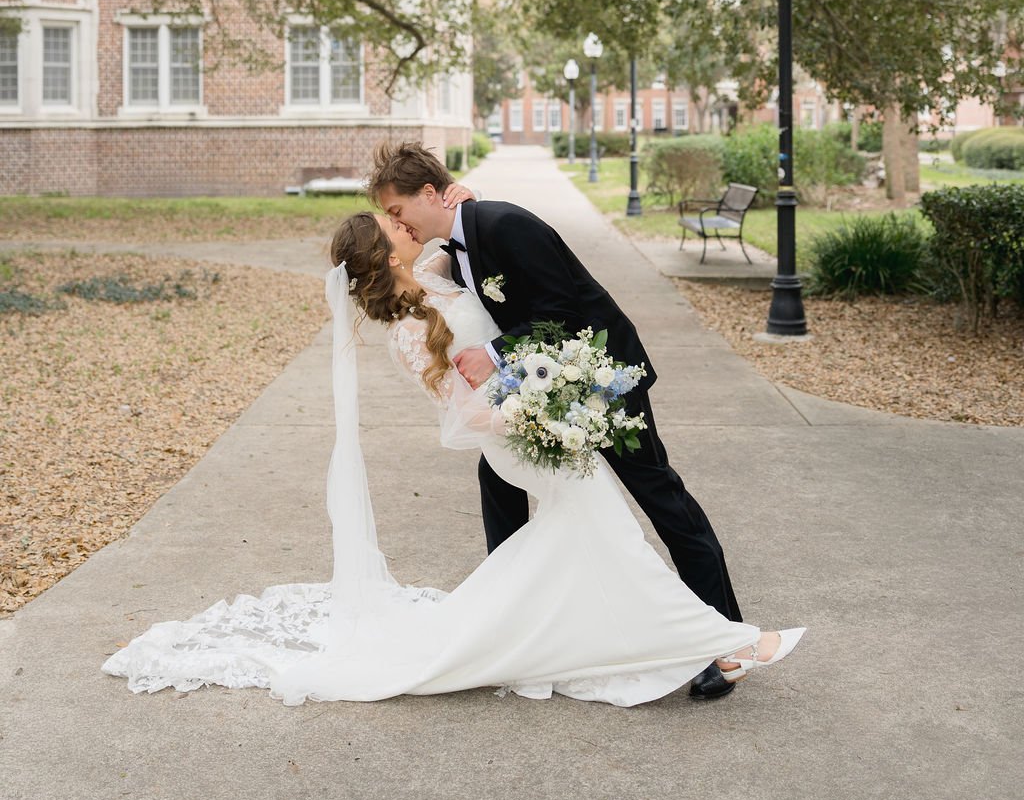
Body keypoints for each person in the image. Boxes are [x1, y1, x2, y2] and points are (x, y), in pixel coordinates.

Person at [103, 210, 804, 705]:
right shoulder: (408, 330)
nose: (402, 229)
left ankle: (654, 637)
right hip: (517, 436)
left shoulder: (434, 275)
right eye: (390, 231)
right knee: (612, 533)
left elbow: (455, 244)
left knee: (599, 539)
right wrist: (538, 411)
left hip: (536, 427)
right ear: (384, 257)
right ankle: (719, 640)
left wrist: (460, 213)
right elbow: (461, 409)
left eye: (397, 219)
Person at [368, 141, 750, 702]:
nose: (396, 222)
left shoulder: (504, 225)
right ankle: (511, 626)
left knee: (661, 498)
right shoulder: (457, 240)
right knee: (497, 483)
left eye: (398, 210)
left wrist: (496, 354)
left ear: (429, 193)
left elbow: (563, 312)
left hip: (604, 378)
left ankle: (726, 642)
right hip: (544, 385)